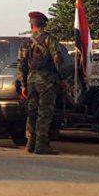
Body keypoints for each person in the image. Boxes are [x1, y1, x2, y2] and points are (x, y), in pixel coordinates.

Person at [15, 11, 67, 155]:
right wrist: (63, 79)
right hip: (47, 82)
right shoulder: (50, 40)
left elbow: (21, 65)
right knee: (44, 113)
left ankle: (30, 144)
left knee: (32, 112)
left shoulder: (25, 43)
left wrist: (24, 85)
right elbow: (58, 60)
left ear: (32, 25)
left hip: (31, 82)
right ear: (44, 24)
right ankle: (41, 145)